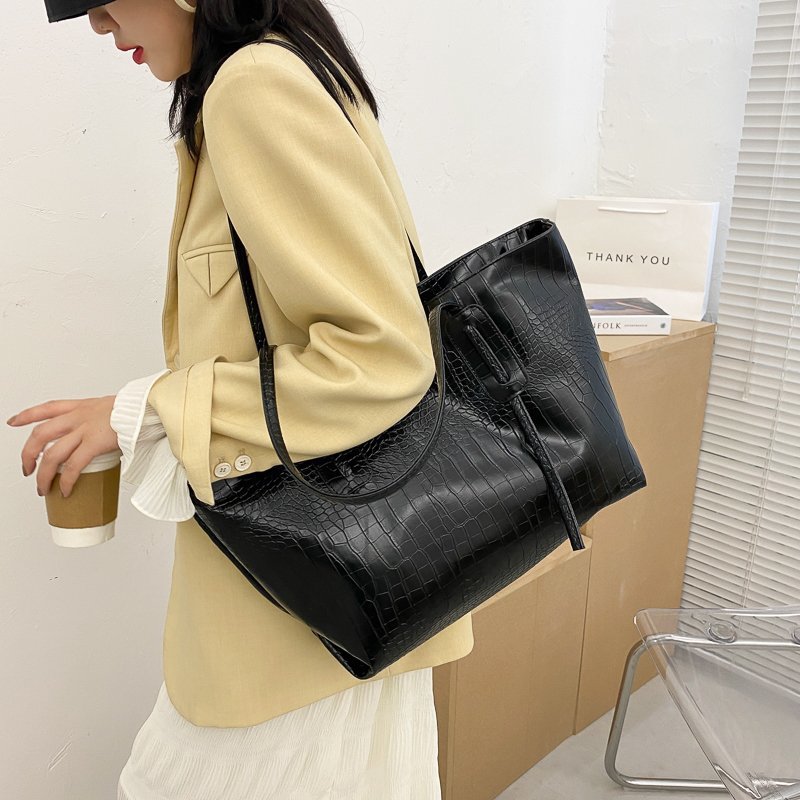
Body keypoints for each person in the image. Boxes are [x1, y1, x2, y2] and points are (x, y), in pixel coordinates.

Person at [9, 0, 475, 797]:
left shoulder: (255, 83)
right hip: (339, 594)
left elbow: (383, 354)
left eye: (100, 0)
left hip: (305, 620)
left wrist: (147, 410)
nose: (96, 25)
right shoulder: (273, 68)